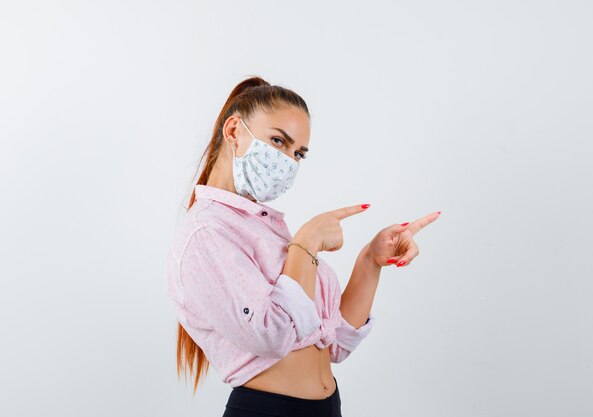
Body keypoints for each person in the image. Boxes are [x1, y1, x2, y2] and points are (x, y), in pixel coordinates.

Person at [165, 76, 441, 417]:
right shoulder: (205, 233)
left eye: (298, 153)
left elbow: (335, 340)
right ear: (234, 131)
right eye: (278, 141)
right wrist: (306, 242)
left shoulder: (266, 229)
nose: (288, 161)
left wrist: (371, 259)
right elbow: (270, 335)